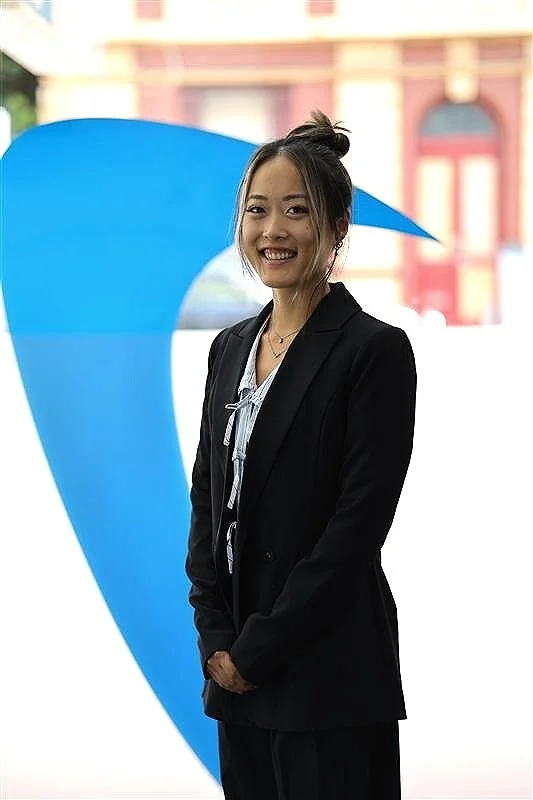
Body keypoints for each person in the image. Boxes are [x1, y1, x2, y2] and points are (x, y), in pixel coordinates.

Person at [185, 109, 417, 800]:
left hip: (328, 675)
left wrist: (257, 649)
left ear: (336, 225)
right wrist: (215, 637)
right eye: (257, 211)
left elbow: (354, 529)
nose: (272, 231)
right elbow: (207, 502)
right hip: (236, 679)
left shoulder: (371, 352)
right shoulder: (228, 347)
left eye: (296, 211)